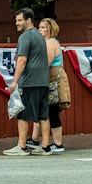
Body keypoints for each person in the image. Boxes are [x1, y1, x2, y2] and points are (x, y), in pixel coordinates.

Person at [3, 8, 51, 156]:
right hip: (43, 81)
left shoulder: (25, 37)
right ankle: (45, 146)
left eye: (19, 20)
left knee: (22, 114)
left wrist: (14, 82)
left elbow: (22, 60)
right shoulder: (39, 35)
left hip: (29, 81)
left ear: (28, 20)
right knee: (43, 115)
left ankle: (22, 147)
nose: (16, 23)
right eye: (16, 20)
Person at [28, 17, 66, 154]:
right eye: (39, 27)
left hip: (51, 79)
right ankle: (34, 139)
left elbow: (46, 63)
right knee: (42, 109)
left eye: (43, 27)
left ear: (50, 29)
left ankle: (58, 143)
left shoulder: (50, 43)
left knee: (52, 111)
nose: (40, 30)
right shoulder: (46, 42)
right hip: (48, 78)